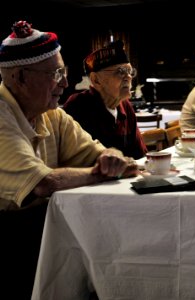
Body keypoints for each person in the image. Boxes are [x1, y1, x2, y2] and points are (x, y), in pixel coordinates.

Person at [0, 21, 138, 299]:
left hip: (40, 234)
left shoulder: (51, 114)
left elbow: (106, 155)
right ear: (20, 78)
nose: (65, 82)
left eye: (63, 72)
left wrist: (112, 157)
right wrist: (103, 172)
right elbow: (43, 183)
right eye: (56, 73)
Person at [63, 40, 147, 159]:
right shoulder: (78, 106)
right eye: (120, 72)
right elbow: (74, 159)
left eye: (130, 71)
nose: (128, 77)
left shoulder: (125, 106)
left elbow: (139, 155)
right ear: (96, 80)